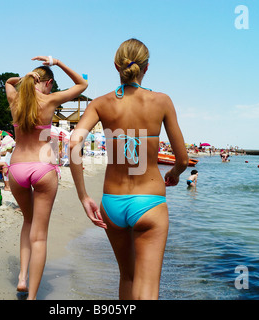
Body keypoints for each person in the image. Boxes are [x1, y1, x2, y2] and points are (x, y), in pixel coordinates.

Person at [69, 39, 188, 299]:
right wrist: (174, 174)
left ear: (116, 66)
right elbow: (182, 159)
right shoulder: (162, 101)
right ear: (147, 68)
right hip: (150, 201)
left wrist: (83, 196)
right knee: (147, 287)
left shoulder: (100, 103)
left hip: (112, 203)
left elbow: (74, 142)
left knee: (127, 277)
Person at [5, 56, 88, 300]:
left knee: (27, 223)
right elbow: (82, 85)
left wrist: (23, 80)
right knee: (39, 236)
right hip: (43, 168)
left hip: (17, 168)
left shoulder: (15, 98)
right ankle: (32, 297)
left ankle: (22, 278)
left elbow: (8, 82)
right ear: (49, 83)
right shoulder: (51, 100)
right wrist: (58, 62)